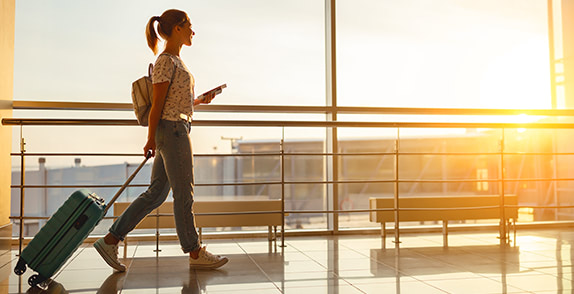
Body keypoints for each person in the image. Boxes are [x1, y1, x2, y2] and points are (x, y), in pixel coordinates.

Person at [94, 9, 228, 271]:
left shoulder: (176, 61)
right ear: (177, 28)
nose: (193, 31)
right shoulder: (166, 60)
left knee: (156, 194)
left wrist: (198, 100)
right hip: (173, 131)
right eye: (189, 25)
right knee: (183, 193)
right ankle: (194, 251)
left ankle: (110, 240)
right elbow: (156, 106)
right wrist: (150, 139)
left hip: (176, 128)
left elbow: (172, 101)